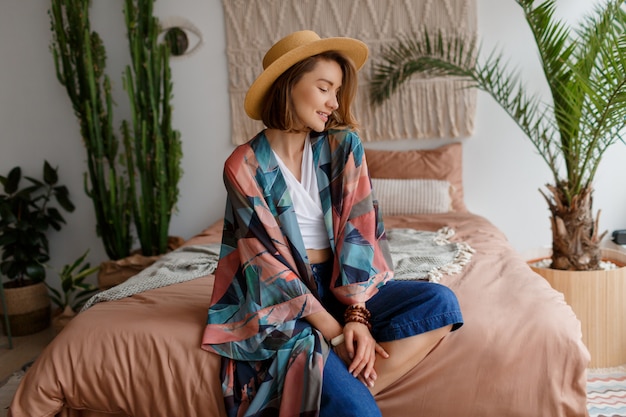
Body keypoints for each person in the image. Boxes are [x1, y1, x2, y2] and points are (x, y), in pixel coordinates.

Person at [202, 30, 463, 417]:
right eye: (324, 88)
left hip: (344, 285)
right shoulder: (243, 166)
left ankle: (337, 389)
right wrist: (337, 331)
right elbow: (266, 265)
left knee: (440, 304)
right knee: (360, 413)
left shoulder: (342, 145)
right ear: (288, 85)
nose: (334, 103)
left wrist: (356, 314)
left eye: (337, 91)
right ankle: (350, 398)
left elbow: (360, 231)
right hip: (284, 301)